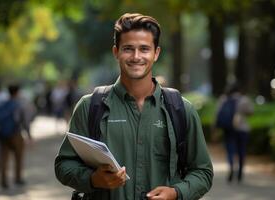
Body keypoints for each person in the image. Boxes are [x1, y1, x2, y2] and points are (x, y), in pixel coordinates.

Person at [55, 13, 213, 200]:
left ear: (156, 53)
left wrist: (176, 193)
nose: (136, 56)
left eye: (144, 49)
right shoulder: (90, 107)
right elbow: (64, 165)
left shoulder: (181, 109)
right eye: (128, 49)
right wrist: (93, 179)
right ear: (116, 52)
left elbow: (203, 172)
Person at [0, 84, 32, 189]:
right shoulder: (19, 105)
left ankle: (3, 180)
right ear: (17, 92)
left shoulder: (3, 104)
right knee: (18, 157)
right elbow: (24, 121)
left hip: (3, 135)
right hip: (16, 134)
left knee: (4, 158)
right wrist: (29, 135)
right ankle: (17, 178)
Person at [215, 83, 254, 183]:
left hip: (229, 129)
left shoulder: (223, 99)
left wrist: (215, 128)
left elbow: (217, 114)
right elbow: (251, 112)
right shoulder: (244, 99)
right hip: (242, 129)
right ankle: (240, 172)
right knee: (242, 151)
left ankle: (231, 167)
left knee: (230, 150)